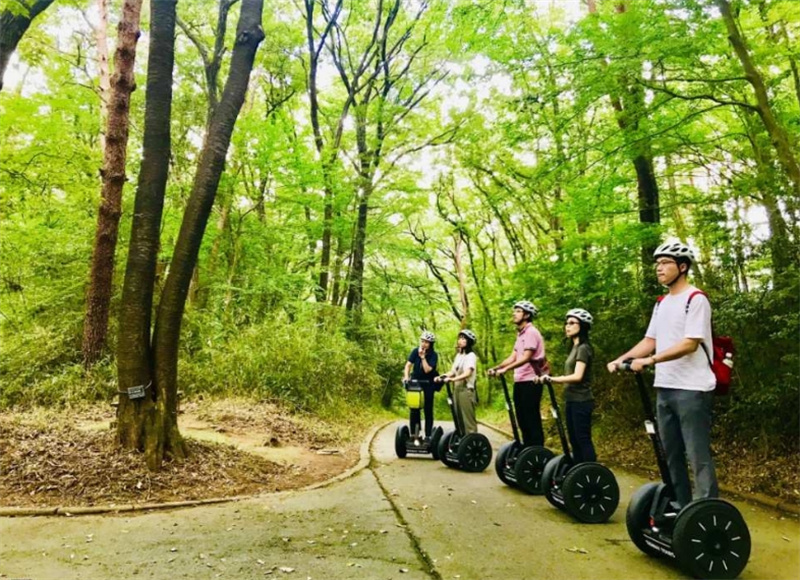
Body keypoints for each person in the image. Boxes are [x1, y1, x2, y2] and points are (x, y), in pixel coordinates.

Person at [607, 240, 718, 507]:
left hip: (693, 388)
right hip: (665, 386)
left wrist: (651, 360)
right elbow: (650, 340)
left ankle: (706, 509)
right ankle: (682, 506)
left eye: (666, 263)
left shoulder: (696, 299)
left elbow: (690, 343)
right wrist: (622, 359)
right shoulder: (661, 303)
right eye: (657, 263)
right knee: (671, 454)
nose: (659, 268)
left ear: (683, 267)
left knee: (697, 454)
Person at [536, 309, 596, 463]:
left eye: (572, 323)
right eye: (566, 323)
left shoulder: (583, 348)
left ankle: (590, 470)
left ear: (582, 326)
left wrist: (553, 379)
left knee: (582, 439)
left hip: (582, 400)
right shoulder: (574, 348)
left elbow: (577, 376)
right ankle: (578, 471)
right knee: (574, 440)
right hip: (571, 399)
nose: (567, 326)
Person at [487, 300, 547, 447]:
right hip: (520, 380)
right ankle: (528, 449)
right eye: (515, 311)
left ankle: (537, 450)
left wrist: (506, 369)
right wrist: (497, 367)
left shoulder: (531, 332)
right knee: (522, 418)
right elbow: (513, 357)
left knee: (531, 418)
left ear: (527, 315)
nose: (514, 314)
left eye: (518, 311)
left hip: (531, 380)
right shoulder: (521, 334)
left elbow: (526, 357)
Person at [435, 329, 479, 434]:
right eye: (460, 338)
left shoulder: (471, 356)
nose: (460, 340)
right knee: (459, 419)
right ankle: (462, 440)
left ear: (469, 341)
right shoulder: (459, 355)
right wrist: (442, 376)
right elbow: (453, 372)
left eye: (463, 339)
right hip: (457, 390)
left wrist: (453, 379)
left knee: (467, 420)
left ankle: (472, 440)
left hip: (466, 390)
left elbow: (468, 373)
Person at [403, 331, 439, 439]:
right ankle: (414, 433)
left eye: (427, 342)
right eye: (422, 341)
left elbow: (427, 370)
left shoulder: (433, 355)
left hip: (428, 383)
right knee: (414, 408)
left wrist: (423, 357)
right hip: (415, 383)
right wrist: (406, 377)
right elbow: (408, 365)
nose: (424, 344)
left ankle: (428, 435)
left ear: (431, 344)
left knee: (428, 409)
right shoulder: (415, 351)